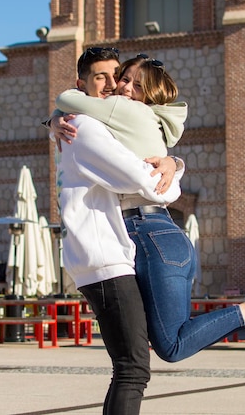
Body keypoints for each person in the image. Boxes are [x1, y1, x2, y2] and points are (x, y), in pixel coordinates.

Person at [52, 53, 245, 365]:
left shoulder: (124, 110)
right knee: (164, 342)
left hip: (147, 233)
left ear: (149, 96)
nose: (122, 86)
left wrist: (56, 117)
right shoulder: (142, 119)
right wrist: (175, 163)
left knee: (171, 345)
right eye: (124, 78)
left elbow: (68, 99)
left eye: (135, 83)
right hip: (157, 234)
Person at [54, 47, 180, 415]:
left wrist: (173, 160)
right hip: (104, 256)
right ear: (81, 85)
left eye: (118, 76)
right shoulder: (86, 127)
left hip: (105, 254)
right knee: (133, 368)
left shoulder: (84, 123)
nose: (113, 85)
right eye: (101, 78)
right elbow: (145, 182)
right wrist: (174, 176)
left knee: (129, 368)